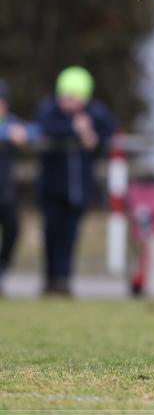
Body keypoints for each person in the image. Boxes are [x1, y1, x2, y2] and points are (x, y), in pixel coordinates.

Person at [36, 67, 115, 296]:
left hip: (79, 190)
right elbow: (45, 127)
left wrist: (92, 136)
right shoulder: (50, 111)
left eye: (73, 97)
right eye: (65, 96)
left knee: (70, 236)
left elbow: (108, 132)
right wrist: (74, 128)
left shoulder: (96, 113)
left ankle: (63, 280)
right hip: (51, 189)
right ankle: (50, 279)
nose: (67, 102)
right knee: (51, 234)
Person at [0, 79, 38, 288]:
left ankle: (2, 268)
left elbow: (35, 131)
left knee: (12, 229)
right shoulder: (7, 129)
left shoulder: (11, 122)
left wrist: (23, 134)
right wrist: (7, 134)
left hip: (4, 193)